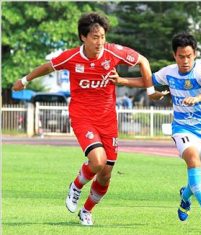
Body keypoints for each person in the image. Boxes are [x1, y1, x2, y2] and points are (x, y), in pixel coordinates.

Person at [12, 12, 161, 226]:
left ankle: (86, 211)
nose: (100, 42)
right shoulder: (72, 57)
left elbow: (143, 61)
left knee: (106, 174)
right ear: (83, 37)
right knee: (97, 161)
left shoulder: (113, 52)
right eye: (94, 37)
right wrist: (24, 80)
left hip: (108, 118)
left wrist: (149, 90)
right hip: (82, 116)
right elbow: (48, 67)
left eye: (102, 36)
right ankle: (76, 186)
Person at [111, 32, 201, 226]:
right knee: (192, 159)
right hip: (182, 128)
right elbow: (148, 81)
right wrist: (122, 81)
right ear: (175, 55)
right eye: (181, 56)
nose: (185, 60)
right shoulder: (169, 72)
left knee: (198, 177)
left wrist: (199, 98)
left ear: (195, 54)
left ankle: (185, 197)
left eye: (189, 56)